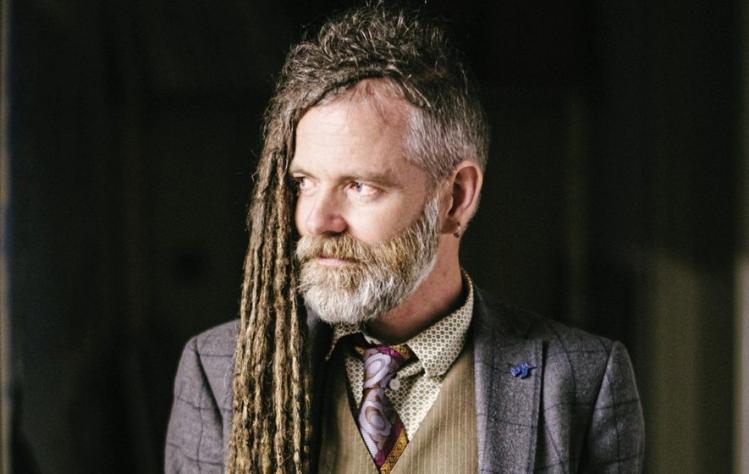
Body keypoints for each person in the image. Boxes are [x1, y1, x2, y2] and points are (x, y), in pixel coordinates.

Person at [165, 4, 645, 473]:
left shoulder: (584, 381)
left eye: (360, 186)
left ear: (456, 197)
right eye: (304, 182)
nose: (316, 219)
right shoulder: (218, 371)